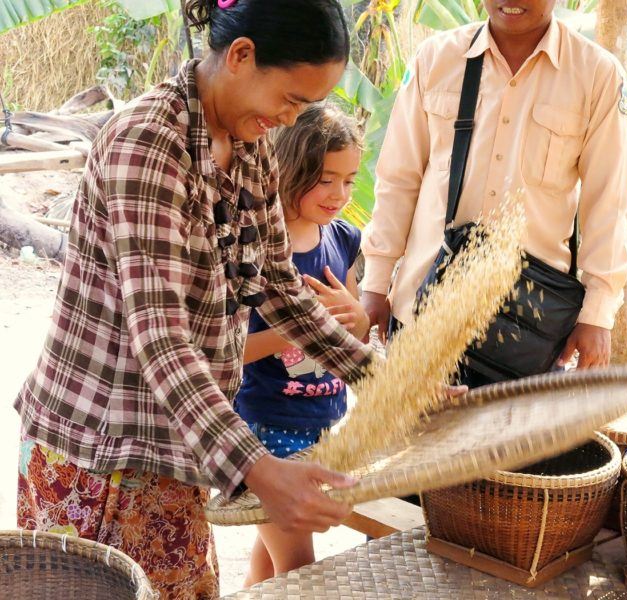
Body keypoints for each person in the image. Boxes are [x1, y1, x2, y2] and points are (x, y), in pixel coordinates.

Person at [15, 2, 378, 598]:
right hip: (101, 456)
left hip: (176, 448)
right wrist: (261, 471)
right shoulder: (148, 146)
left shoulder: (248, 141)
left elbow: (281, 288)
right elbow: (161, 338)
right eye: (290, 99)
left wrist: (387, 377)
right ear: (241, 56)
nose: (289, 120)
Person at [360, 0, 627, 382]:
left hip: (526, 326)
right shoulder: (435, 59)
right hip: (423, 310)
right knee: (415, 439)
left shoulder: (598, 76)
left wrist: (597, 315)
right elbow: (398, 180)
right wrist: (375, 282)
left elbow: (609, 203)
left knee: (510, 444)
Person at [234, 104, 369, 584]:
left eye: (349, 180)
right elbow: (233, 350)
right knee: (300, 569)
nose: (340, 195)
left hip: (324, 421)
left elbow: (355, 332)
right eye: (325, 179)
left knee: (270, 564)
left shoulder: (343, 239)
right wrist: (299, 327)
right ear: (288, 169)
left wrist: (358, 315)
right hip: (267, 428)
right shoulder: (256, 250)